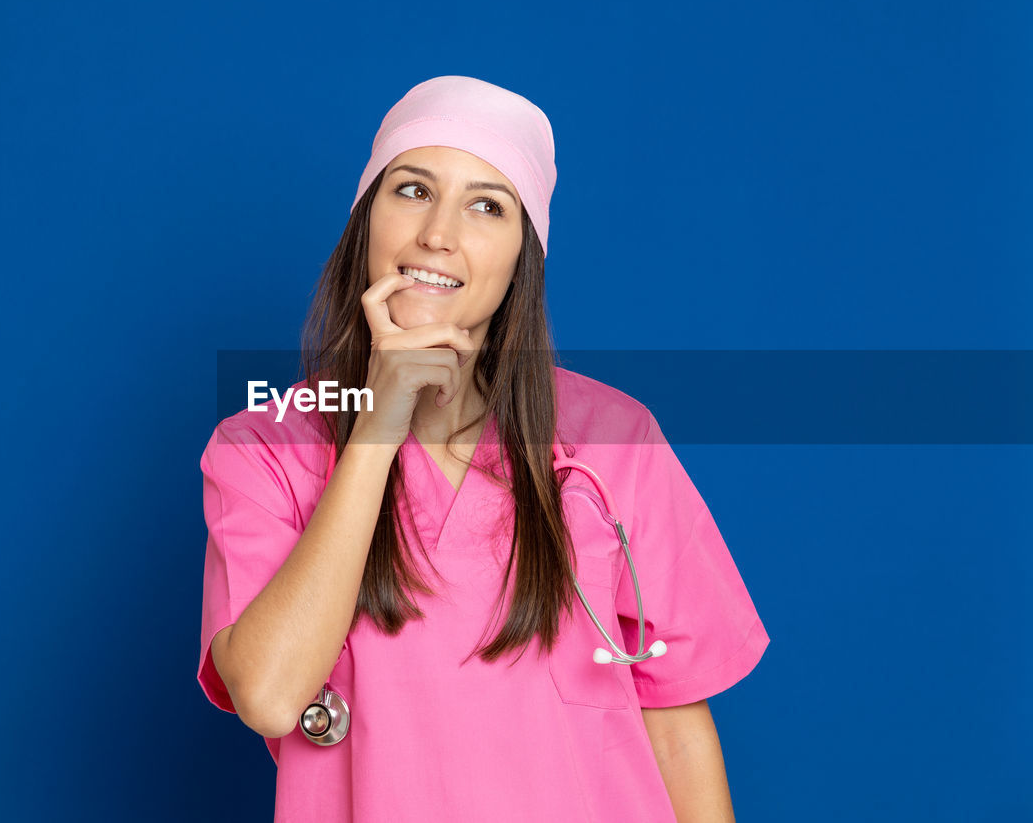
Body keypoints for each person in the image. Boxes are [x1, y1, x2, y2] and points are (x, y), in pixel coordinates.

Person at [197, 75, 769, 822]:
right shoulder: (262, 449)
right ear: (365, 221)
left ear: (521, 256)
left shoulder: (612, 439)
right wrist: (378, 422)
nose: (439, 232)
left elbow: (674, 721)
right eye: (410, 190)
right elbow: (270, 695)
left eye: (486, 206)